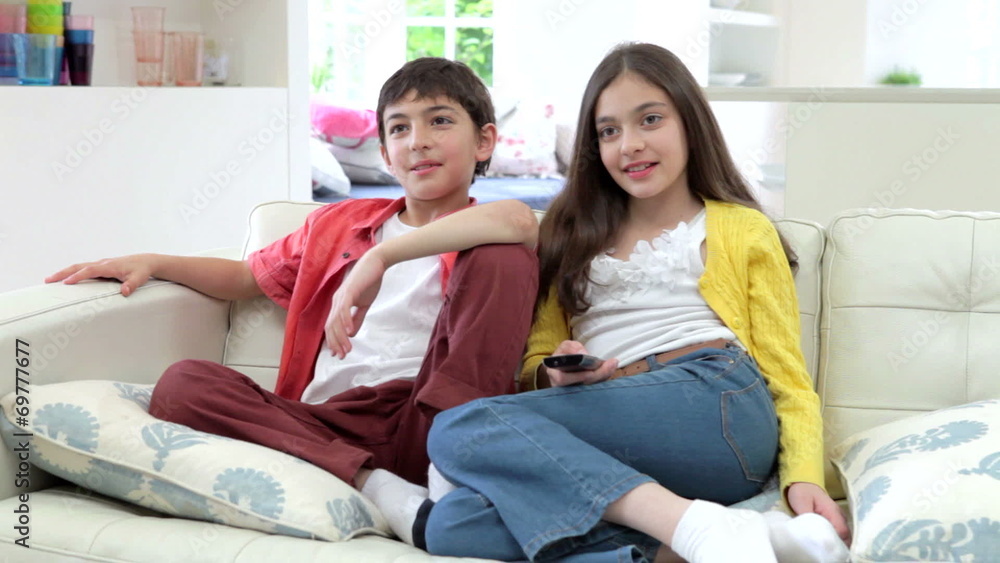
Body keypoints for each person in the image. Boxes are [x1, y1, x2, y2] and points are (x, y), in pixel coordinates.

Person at [44, 57, 540, 542]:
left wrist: (381, 258)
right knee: (183, 384)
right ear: (385, 155)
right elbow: (244, 277)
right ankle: (377, 486)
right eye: (399, 128)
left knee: (506, 257)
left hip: (429, 419)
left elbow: (520, 221)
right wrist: (155, 261)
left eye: (440, 121)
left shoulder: (493, 233)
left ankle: (450, 474)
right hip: (325, 422)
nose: (419, 141)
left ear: (484, 141)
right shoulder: (336, 225)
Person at [393, 43, 853, 562]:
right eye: (609, 131)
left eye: (650, 119)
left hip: (718, 405)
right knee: (454, 524)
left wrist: (803, 478)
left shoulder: (740, 228)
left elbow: (787, 374)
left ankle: (696, 528)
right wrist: (554, 375)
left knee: (459, 429)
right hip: (610, 423)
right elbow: (534, 365)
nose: (629, 145)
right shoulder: (567, 235)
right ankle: (750, 539)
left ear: (690, 123)